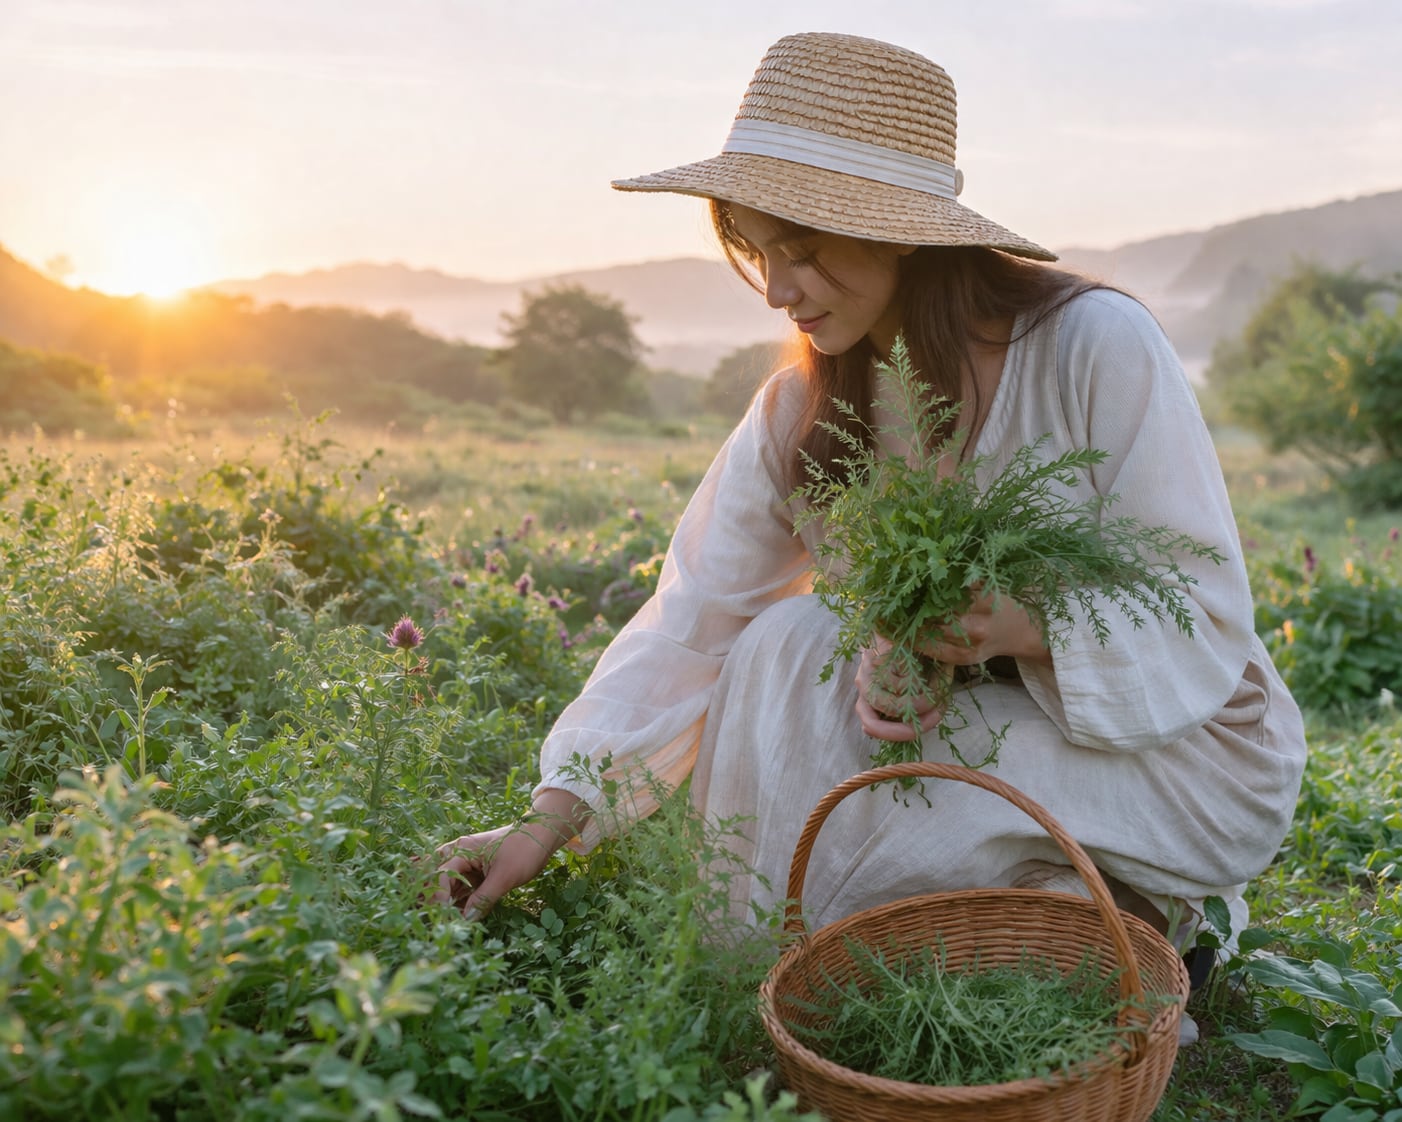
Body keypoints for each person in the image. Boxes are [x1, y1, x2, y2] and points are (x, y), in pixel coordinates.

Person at [431, 31, 1307, 964]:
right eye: (758, 251)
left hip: (1172, 754)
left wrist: (1020, 625)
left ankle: (1113, 914)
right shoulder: (802, 412)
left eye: (801, 250)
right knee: (780, 646)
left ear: (895, 229)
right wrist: (548, 822)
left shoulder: (1093, 344)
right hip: (965, 742)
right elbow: (693, 618)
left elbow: (1196, 603)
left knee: (870, 838)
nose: (776, 290)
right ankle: (1058, 913)